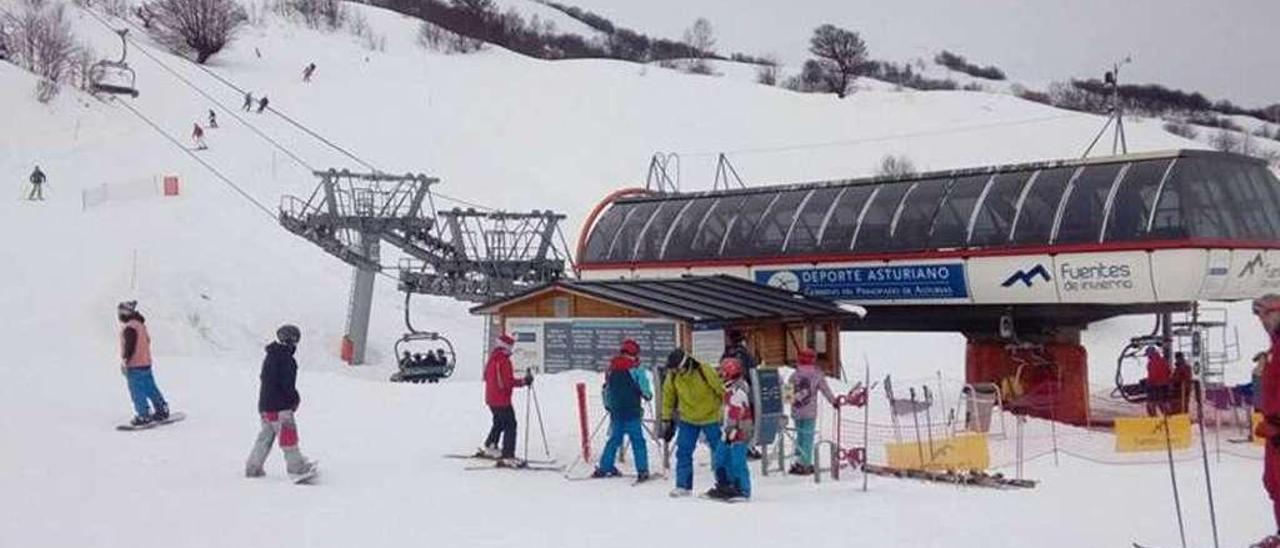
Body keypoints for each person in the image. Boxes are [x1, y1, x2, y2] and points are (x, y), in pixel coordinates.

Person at [245, 325, 316, 480]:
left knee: (265, 436)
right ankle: (297, 468)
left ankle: (253, 467)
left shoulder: (270, 356)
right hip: (280, 407)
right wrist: (294, 399)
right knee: (288, 435)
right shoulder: (287, 360)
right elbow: (287, 385)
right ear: (292, 341)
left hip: (265, 406)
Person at [660, 348, 724, 498]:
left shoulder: (704, 370)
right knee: (683, 451)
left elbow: (721, 390)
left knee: (719, 451)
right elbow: (668, 397)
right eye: (673, 369)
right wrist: (666, 419)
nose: (675, 371)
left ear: (684, 364)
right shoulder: (673, 376)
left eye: (677, 368)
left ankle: (724, 483)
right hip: (688, 418)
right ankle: (683, 486)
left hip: (710, 417)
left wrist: (728, 411)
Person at [593, 339, 653, 480]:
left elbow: (606, 389)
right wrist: (648, 395)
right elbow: (645, 390)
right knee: (638, 441)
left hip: (616, 412)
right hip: (632, 412)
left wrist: (608, 405)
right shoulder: (636, 368)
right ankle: (642, 470)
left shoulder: (611, 367)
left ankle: (604, 467)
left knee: (614, 440)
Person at [478, 334, 532, 466]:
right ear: (506, 347)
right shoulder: (504, 361)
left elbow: (486, 376)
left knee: (499, 422)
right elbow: (506, 382)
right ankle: (508, 455)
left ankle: (491, 445)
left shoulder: (493, 358)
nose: (512, 349)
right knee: (510, 425)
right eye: (511, 346)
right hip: (501, 399)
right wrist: (524, 381)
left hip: (491, 398)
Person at [1252, 295, 1280, 548]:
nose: (1262, 320)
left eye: (1265, 313)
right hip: (1273, 430)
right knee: (1272, 482)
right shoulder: (1274, 347)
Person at [786, 348, 838, 475]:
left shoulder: (793, 375)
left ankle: (797, 461)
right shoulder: (817, 375)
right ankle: (805, 464)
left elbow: (787, 396)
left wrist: (794, 401)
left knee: (799, 436)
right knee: (808, 438)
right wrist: (834, 401)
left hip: (797, 411)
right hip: (810, 412)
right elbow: (826, 390)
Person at [708, 357, 753, 501]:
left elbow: (737, 412)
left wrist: (732, 431)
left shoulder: (739, 391)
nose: (721, 376)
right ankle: (725, 484)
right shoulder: (729, 389)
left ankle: (742, 489)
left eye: (723, 372)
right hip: (727, 431)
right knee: (720, 459)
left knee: (737, 461)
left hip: (738, 432)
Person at [117, 301, 169, 426]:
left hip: (134, 365)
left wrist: (125, 360)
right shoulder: (140, 325)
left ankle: (143, 415)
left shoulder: (130, 327)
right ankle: (161, 409)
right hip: (146, 363)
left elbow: (129, 346)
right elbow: (147, 341)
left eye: (120, 312)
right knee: (150, 387)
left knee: (137, 391)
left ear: (125, 313)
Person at [722, 329, 762, 458]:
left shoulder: (726, 354)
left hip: (728, 390)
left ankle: (735, 445)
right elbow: (751, 369)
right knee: (746, 419)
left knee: (732, 418)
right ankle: (747, 447)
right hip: (744, 390)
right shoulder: (743, 353)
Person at [1145, 346, 1172, 416]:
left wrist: (1148, 383)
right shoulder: (1164, 360)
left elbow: (1152, 376)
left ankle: (1154, 420)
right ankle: (1168, 418)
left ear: (1150, 353)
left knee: (1150, 404)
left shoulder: (1151, 363)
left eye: (1147, 354)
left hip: (1156, 386)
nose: (1147, 356)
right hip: (1165, 386)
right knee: (1164, 403)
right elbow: (1168, 372)